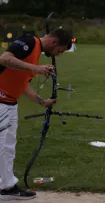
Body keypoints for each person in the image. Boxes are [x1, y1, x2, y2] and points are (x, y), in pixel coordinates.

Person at [0, 29, 72, 200]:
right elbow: (5, 59)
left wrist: (42, 102)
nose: (58, 55)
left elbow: (22, 83)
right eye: (59, 51)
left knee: (8, 148)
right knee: (1, 147)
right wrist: (36, 68)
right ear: (54, 42)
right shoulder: (30, 42)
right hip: (1, 102)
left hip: (9, 103)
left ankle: (7, 187)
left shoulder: (36, 54)